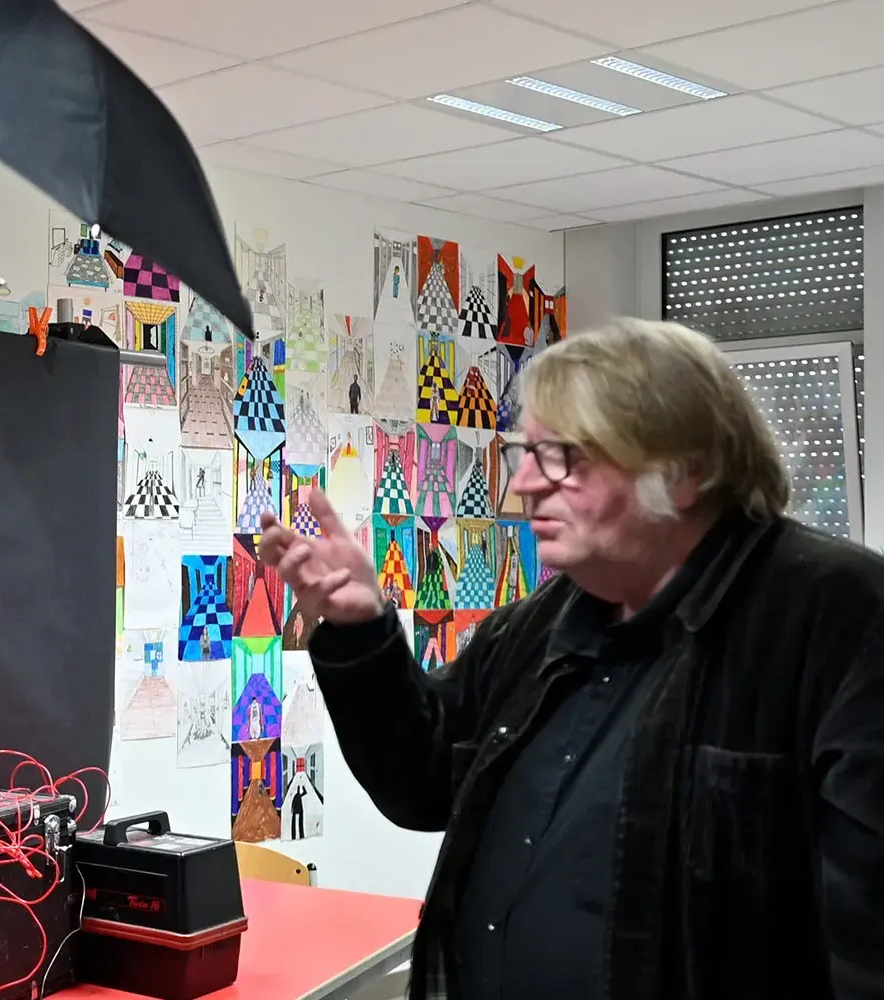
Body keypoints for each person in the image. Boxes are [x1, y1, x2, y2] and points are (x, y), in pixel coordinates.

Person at [258, 318, 884, 1000]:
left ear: (685, 472)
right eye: (528, 452)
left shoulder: (838, 618)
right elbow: (425, 780)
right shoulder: (542, 622)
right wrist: (357, 630)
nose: (523, 482)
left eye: (560, 456)